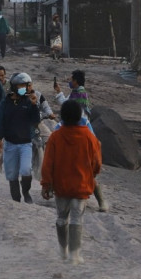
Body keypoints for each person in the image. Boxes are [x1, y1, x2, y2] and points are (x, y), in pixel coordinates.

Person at [41, 100, 102, 264]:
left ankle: (63, 251)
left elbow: (47, 163)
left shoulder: (55, 137)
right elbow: (97, 162)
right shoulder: (89, 136)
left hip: (61, 186)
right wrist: (92, 175)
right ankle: (74, 255)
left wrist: (46, 184)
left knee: (61, 218)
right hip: (81, 185)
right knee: (77, 219)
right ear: (78, 116)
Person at [54, 70, 107, 211]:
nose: (69, 80)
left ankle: (101, 201)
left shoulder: (80, 95)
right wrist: (59, 93)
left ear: (76, 80)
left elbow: (72, 109)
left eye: (71, 79)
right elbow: (67, 105)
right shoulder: (76, 93)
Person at [0, 72, 41, 202]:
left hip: (25, 143)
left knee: (26, 170)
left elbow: (35, 121)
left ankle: (26, 192)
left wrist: (34, 106)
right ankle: (16, 200)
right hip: (10, 144)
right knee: (12, 174)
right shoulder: (5, 103)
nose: (25, 88)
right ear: (14, 86)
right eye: (22, 85)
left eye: (26, 85)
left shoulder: (28, 101)